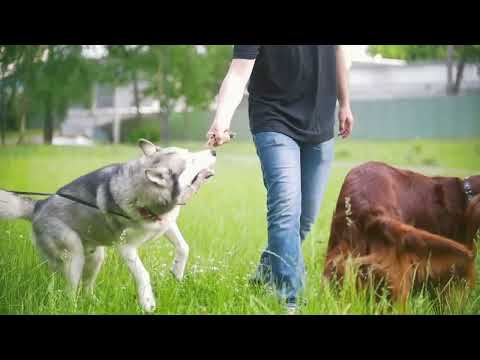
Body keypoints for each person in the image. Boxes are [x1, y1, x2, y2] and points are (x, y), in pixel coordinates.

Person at [206, 45, 354, 314]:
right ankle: (290, 299)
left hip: (319, 124)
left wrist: (345, 103)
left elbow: (338, 53)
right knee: (286, 209)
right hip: (273, 120)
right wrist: (222, 119)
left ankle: (263, 276)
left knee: (304, 219)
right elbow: (239, 73)